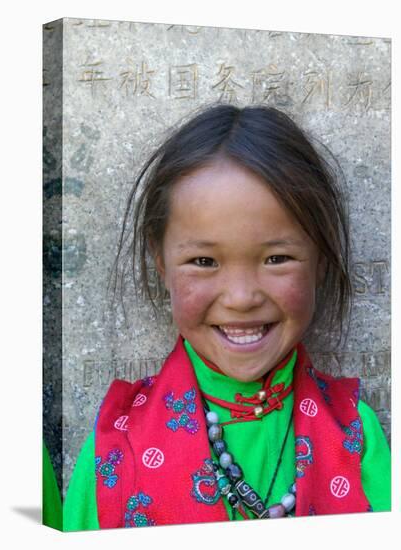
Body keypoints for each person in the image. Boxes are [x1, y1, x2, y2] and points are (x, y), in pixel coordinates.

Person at [63, 103, 391, 531]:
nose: (240, 298)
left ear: (321, 262)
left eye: (277, 258)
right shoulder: (117, 447)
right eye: (203, 260)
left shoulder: (355, 437)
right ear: (160, 261)